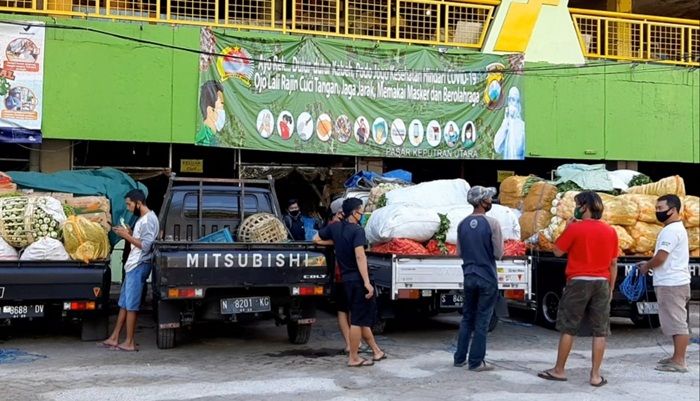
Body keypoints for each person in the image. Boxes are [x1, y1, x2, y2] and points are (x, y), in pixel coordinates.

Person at [538, 191, 618, 387]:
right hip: (602, 282)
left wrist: (568, 228)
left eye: (578, 204)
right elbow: (613, 263)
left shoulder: (576, 229)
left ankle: (559, 370)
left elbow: (557, 251)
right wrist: (611, 289)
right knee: (600, 331)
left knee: (569, 328)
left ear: (585, 207)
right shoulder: (610, 231)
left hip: (578, 281)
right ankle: (595, 375)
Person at [314, 198, 385, 367]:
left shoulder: (335, 227)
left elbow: (315, 239)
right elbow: (360, 257)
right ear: (354, 213)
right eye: (361, 211)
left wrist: (334, 242)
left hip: (345, 280)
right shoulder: (357, 231)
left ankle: (376, 351)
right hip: (357, 280)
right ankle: (354, 357)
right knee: (357, 322)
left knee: (360, 318)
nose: (362, 214)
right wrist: (367, 282)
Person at [638, 194, 691, 373]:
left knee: (677, 323)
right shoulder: (674, 228)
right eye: (657, 208)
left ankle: (680, 361)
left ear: (673, 210)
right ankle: (676, 356)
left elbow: (661, 257)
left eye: (660, 209)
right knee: (673, 322)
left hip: (672, 283)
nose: (657, 212)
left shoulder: (671, 230)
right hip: (673, 281)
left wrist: (646, 266)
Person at [102, 189, 159, 352]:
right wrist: (129, 232)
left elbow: (146, 246)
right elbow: (140, 240)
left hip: (138, 265)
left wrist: (126, 236)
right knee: (124, 304)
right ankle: (114, 337)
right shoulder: (143, 219)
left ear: (138, 203)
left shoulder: (148, 220)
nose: (127, 208)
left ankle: (129, 342)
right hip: (133, 265)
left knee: (131, 305)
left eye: (129, 204)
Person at [453, 186, 503, 372]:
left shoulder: (462, 224)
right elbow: (498, 253)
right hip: (487, 276)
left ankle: (459, 358)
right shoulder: (493, 224)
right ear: (482, 202)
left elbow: (459, 252)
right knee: (482, 321)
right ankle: (476, 362)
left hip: (469, 275)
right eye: (489, 198)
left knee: (467, 318)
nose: (491, 201)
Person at [493, 86, 525, 160]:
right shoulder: (505, 124)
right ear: (508, 100)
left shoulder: (522, 126)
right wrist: (505, 123)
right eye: (511, 99)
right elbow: (497, 148)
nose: (514, 103)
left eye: (516, 100)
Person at [195, 80, 225, 146]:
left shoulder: (211, 138)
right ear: (210, 111)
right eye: (221, 106)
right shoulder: (203, 141)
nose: (223, 111)